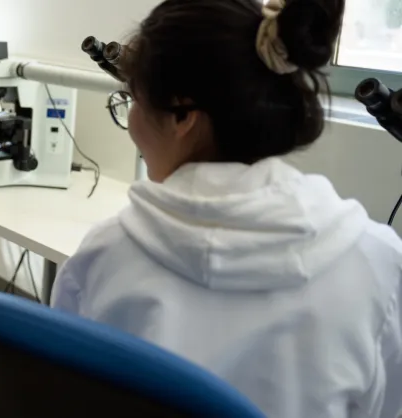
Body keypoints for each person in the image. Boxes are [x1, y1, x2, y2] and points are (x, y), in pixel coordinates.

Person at [51, 0, 402, 417]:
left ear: (182, 115)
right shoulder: (377, 261)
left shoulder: (103, 257)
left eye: (132, 98)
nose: (130, 119)